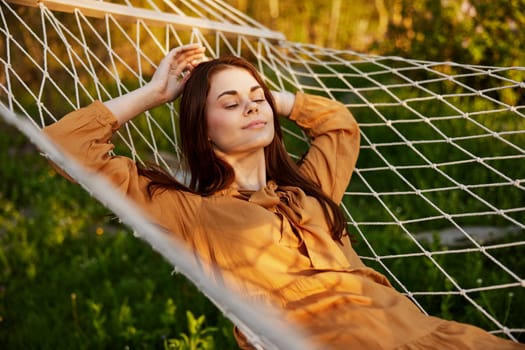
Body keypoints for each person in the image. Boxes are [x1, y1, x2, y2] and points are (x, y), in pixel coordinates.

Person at [43, 44, 524, 349]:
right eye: (230, 103)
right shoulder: (189, 213)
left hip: (424, 334)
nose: (252, 105)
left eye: (258, 97)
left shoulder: (309, 190)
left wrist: (278, 98)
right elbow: (65, 148)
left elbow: (339, 124)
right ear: (202, 130)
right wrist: (154, 93)